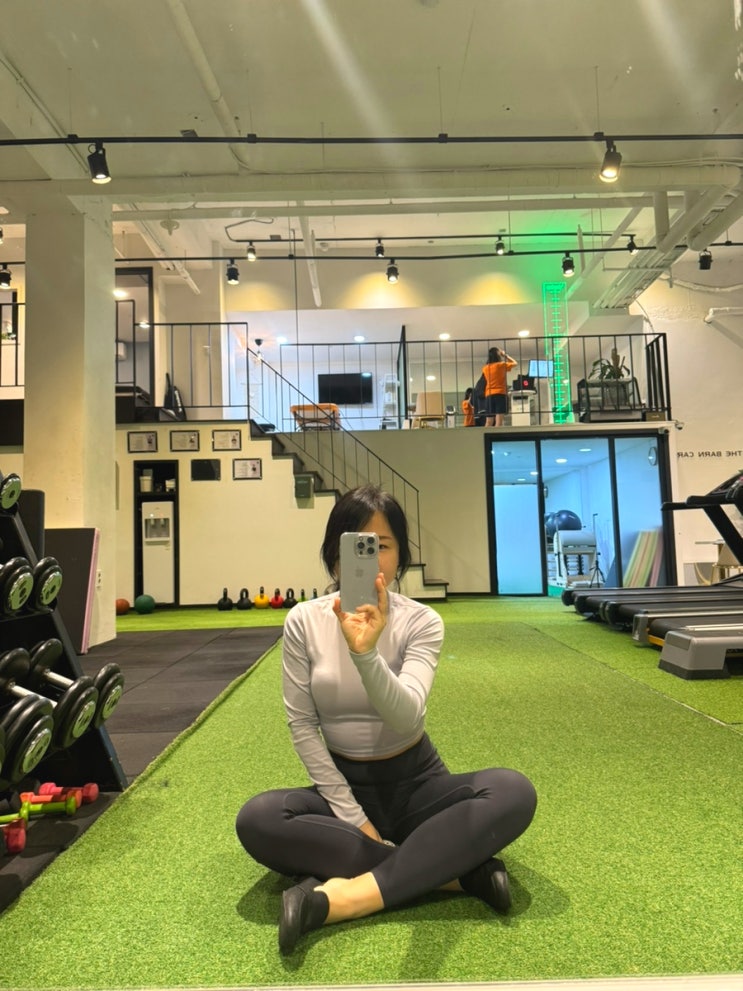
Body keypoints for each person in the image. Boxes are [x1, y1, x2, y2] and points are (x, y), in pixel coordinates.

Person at [235, 484, 537, 955]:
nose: (372, 559)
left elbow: (406, 716)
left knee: (513, 791)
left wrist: (366, 654)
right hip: (340, 787)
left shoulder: (421, 621)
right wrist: (353, 816)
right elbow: (302, 725)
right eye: (359, 545)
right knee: (258, 820)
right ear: (335, 554)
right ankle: (455, 874)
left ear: (401, 557)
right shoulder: (303, 620)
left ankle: (342, 899)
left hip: (416, 783)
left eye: (384, 546)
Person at [482, 346, 517, 427]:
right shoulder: (502, 365)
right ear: (498, 355)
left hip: (489, 394)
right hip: (500, 394)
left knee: (489, 421)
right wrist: (505, 355)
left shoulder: (485, 368)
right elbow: (515, 363)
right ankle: (496, 435)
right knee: (499, 422)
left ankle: (485, 435)